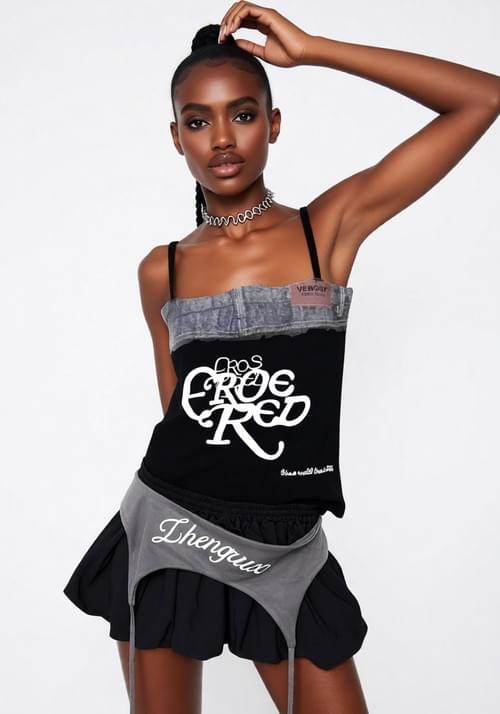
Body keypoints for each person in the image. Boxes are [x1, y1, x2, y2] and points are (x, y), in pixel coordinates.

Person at [63, 5, 500, 713]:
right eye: (198, 121)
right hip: (171, 528)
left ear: (273, 122)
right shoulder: (160, 271)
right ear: (176, 138)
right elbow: (181, 413)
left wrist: (316, 49)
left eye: (242, 114)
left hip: (287, 548)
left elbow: (482, 98)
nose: (221, 138)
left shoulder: (325, 231)